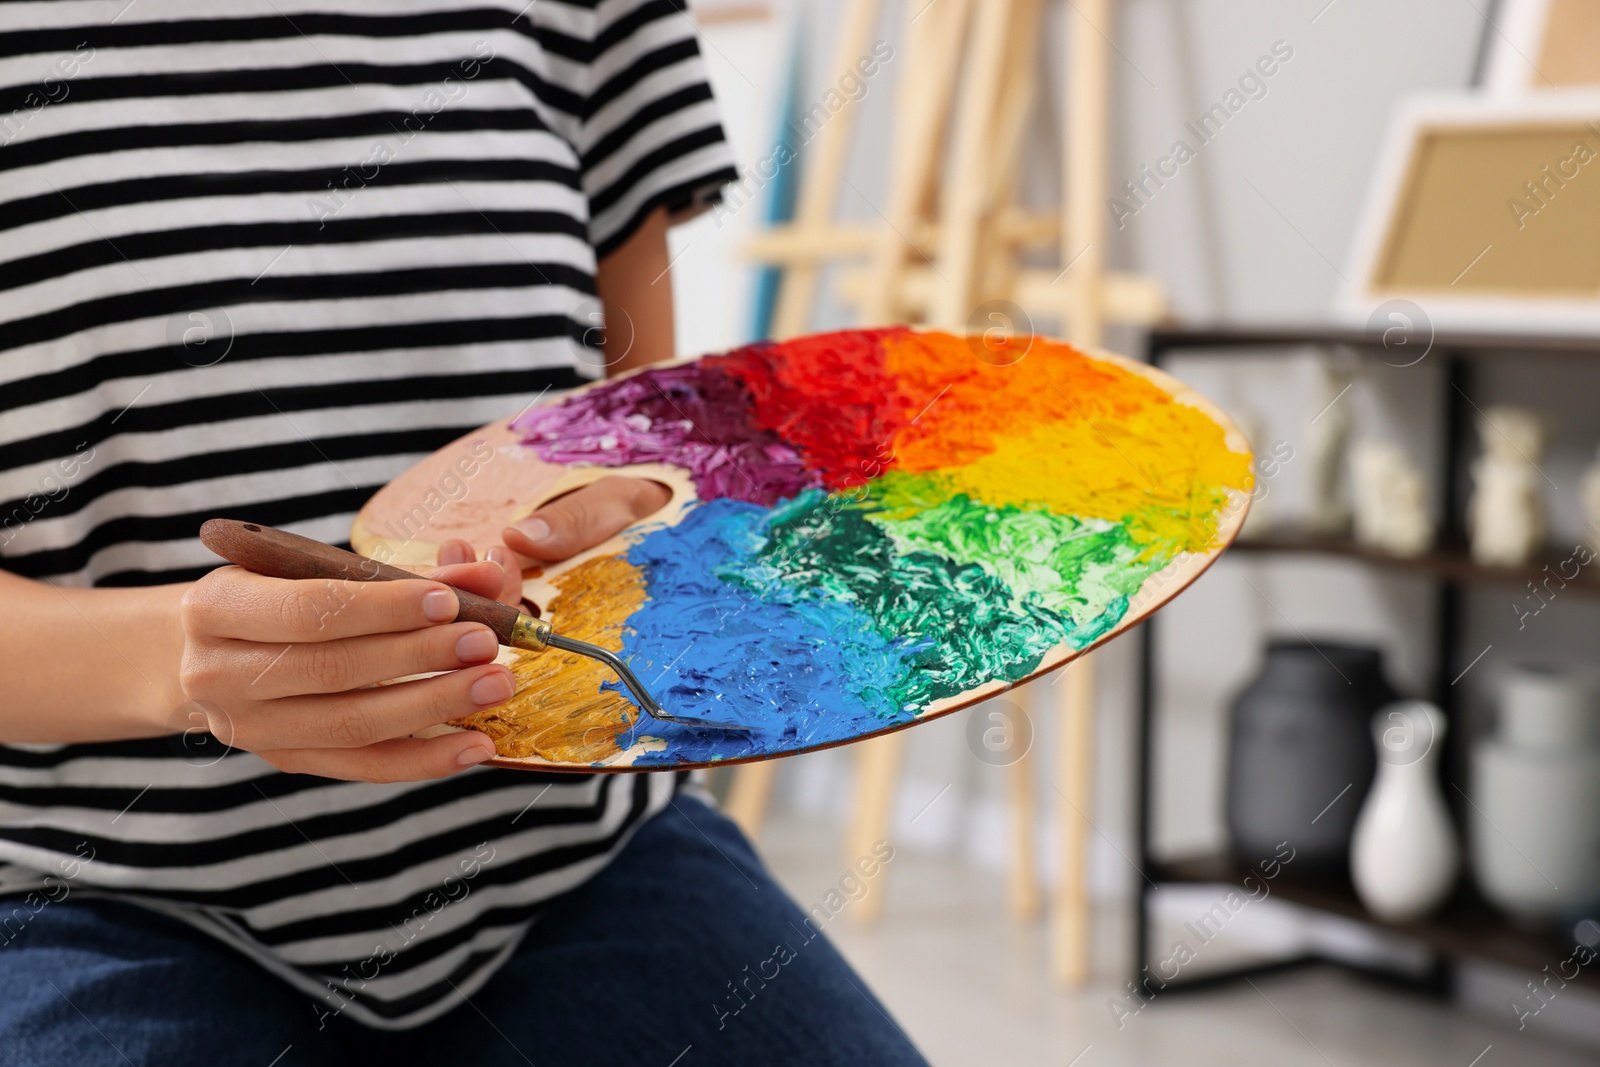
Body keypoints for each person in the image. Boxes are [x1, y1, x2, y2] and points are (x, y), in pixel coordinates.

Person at [0, 4, 928, 1063]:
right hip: (88, 893)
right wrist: (173, 658)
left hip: (575, 854)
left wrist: (629, 508)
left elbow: (640, 426)